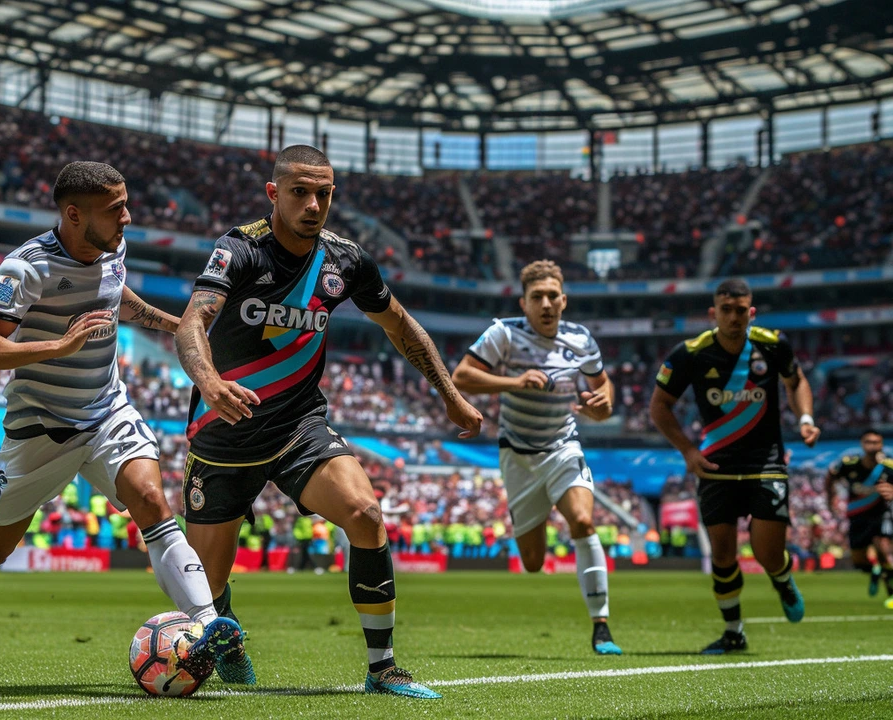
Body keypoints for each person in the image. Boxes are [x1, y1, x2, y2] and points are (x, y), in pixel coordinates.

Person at [175, 144, 483, 698]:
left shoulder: (347, 261)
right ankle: (229, 637)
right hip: (222, 432)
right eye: (300, 192)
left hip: (299, 427)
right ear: (274, 194)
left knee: (365, 512)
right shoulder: (238, 251)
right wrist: (209, 383)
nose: (313, 204)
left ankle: (383, 668)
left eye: (324, 193)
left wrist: (449, 393)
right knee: (207, 585)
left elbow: (401, 324)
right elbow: (192, 321)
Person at [0, 162, 241, 681]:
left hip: (107, 412)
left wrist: (176, 326)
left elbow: (117, 299)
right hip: (41, 429)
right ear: (73, 214)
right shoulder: (24, 267)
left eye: (126, 203)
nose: (127, 217)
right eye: (115, 208)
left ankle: (212, 628)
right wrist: (61, 345)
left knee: (153, 501)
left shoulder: (113, 248)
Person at [451, 260, 621, 656]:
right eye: (537, 297)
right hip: (519, 458)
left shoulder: (581, 339)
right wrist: (515, 380)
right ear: (523, 303)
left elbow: (603, 391)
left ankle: (602, 627)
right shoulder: (503, 333)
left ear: (564, 300)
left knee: (582, 520)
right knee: (531, 561)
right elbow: (461, 376)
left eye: (552, 297)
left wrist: (602, 406)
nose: (546, 304)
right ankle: (534, 523)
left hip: (564, 447)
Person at [650, 278, 820, 654]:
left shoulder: (773, 345)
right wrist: (688, 452)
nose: (733, 317)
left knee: (767, 553)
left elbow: (797, 381)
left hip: (766, 465)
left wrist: (805, 417)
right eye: (725, 310)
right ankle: (734, 632)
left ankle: (782, 578)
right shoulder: (690, 353)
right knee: (724, 555)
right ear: (714, 313)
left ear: (751, 311)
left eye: (740, 310)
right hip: (715, 467)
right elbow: (658, 406)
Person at [824, 429, 893, 601]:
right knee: (859, 562)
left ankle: (891, 593)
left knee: (883, 548)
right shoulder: (849, 464)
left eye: (876, 442)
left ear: (881, 445)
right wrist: (831, 497)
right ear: (862, 444)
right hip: (857, 516)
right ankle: (875, 572)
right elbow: (830, 476)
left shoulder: (889, 467)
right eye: (868, 442)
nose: (872, 446)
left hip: (880, 515)